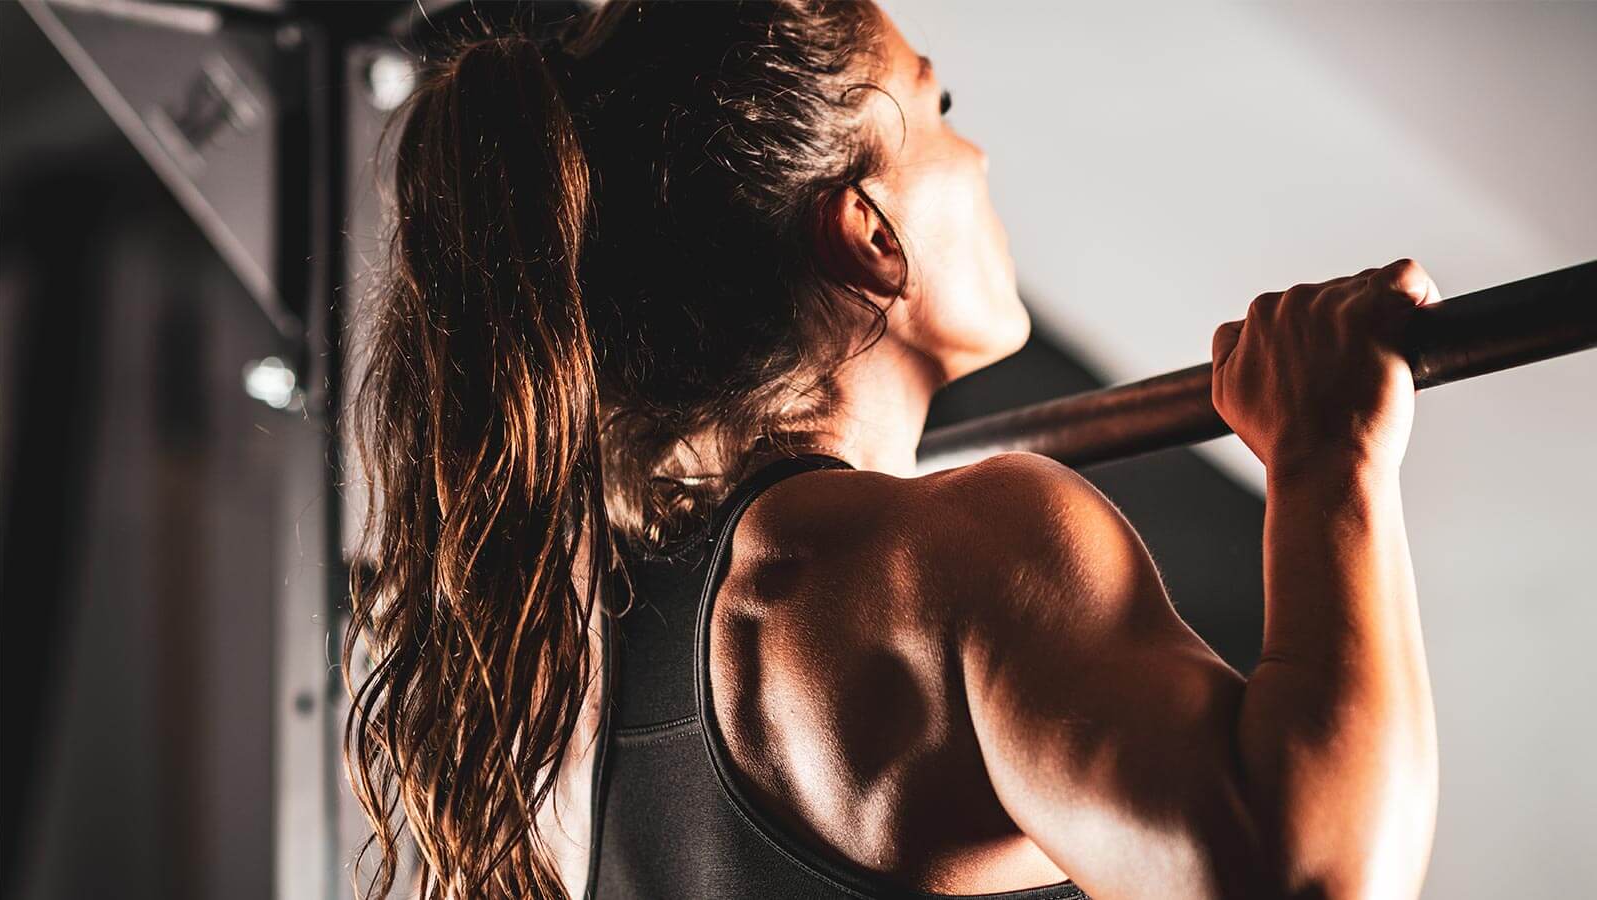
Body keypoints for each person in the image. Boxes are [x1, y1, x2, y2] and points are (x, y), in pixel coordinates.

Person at [342, 2, 1439, 898]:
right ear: (869, 233)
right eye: (939, 104)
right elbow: (1308, 875)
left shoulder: (565, 657)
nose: (980, 146)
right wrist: (1325, 453)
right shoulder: (961, 552)